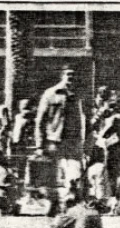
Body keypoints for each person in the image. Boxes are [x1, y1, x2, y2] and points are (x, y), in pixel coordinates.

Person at [34, 68, 88, 208]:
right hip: (54, 140)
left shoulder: (79, 95)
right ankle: (53, 202)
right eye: (68, 74)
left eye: (73, 75)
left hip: (73, 140)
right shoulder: (51, 93)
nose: (71, 77)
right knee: (52, 173)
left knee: (75, 172)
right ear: (62, 76)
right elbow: (40, 120)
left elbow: (86, 119)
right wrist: (39, 144)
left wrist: (87, 142)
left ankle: (71, 202)